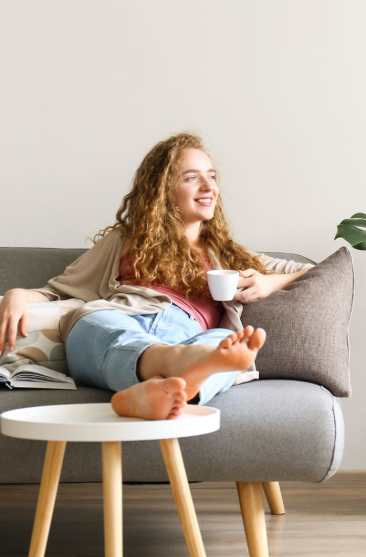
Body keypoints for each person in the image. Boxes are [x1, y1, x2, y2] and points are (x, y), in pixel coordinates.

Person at [0, 133, 312, 420]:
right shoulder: (126, 239)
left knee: (224, 344)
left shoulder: (228, 253)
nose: (209, 187)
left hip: (186, 332)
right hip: (119, 318)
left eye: (212, 177)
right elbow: (60, 289)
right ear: (163, 190)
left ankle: (150, 391)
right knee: (93, 324)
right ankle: (180, 367)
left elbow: (312, 271)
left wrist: (268, 281)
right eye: (192, 178)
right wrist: (18, 295)